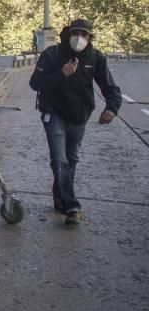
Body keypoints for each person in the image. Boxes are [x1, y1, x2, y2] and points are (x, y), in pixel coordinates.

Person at [28, 19, 121, 226]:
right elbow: (35, 83)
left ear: (90, 38)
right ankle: (72, 206)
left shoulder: (95, 58)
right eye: (76, 33)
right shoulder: (52, 55)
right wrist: (62, 74)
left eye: (85, 35)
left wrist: (112, 108)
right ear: (68, 34)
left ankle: (61, 197)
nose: (80, 38)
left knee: (71, 160)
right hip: (53, 114)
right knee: (59, 160)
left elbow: (110, 87)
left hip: (80, 115)